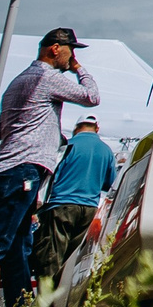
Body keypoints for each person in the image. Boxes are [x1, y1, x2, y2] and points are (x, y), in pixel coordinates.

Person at [0, 28, 99, 307]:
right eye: (71, 50)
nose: (72, 57)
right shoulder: (47, 77)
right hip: (23, 168)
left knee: (17, 247)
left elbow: (4, 127)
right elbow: (92, 96)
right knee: (4, 242)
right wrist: (79, 69)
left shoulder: (20, 81)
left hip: (15, 168)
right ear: (55, 49)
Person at [34, 117, 115, 287]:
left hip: (61, 205)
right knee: (73, 259)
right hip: (89, 209)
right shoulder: (106, 151)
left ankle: (47, 306)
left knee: (52, 256)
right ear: (97, 128)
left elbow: (50, 174)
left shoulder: (68, 146)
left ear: (76, 127)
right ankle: (64, 303)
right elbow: (110, 183)